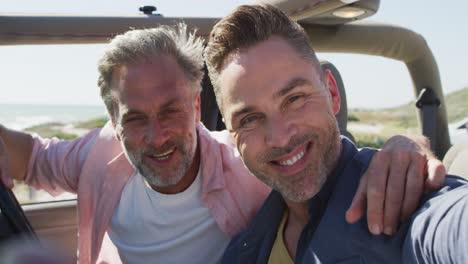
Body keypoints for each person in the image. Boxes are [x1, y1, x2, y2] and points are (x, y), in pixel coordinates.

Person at [0, 24, 445, 263]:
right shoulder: (96, 156)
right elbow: (29, 155)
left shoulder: (248, 161)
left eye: (172, 110)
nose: (157, 137)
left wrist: (408, 145)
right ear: (114, 122)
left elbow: (322, 156)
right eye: (135, 118)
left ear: (197, 105)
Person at [204, 4, 468, 263]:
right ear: (232, 133)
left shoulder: (402, 199)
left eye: (294, 99)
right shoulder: (246, 248)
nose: (281, 137)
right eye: (250, 119)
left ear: (332, 93)